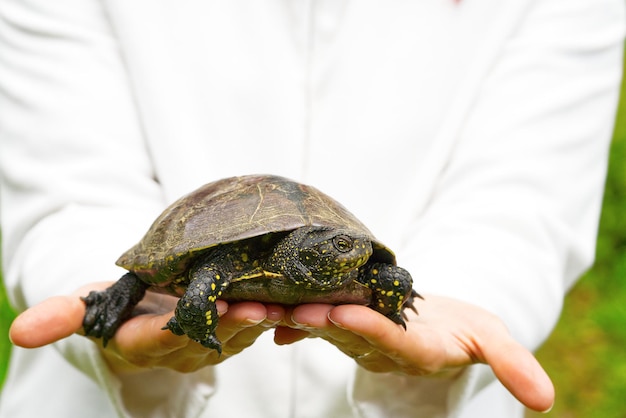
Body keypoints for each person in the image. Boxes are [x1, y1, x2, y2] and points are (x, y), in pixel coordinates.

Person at [0, 0, 623, 417]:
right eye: (341, 251)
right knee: (159, 276)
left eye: (350, 252)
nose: (354, 256)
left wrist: (456, 294)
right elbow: (64, 175)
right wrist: (138, 296)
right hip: (96, 398)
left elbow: (521, 198)